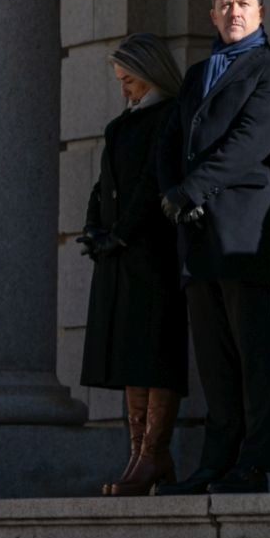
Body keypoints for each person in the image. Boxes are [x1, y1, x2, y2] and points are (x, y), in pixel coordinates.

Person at [157, 0, 270, 496]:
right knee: (214, 359)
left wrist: (191, 189)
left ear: (261, 12)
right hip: (195, 231)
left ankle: (253, 463)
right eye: (225, 5)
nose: (234, 12)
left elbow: (251, 140)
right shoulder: (198, 74)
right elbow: (171, 137)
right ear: (212, 15)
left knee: (252, 353)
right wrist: (172, 190)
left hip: (241, 230)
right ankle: (214, 463)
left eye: (243, 4)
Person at [78, 35, 189, 496]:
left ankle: (153, 453)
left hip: (153, 250)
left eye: (130, 80)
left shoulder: (170, 116)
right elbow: (107, 183)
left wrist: (123, 229)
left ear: (152, 74)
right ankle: (140, 454)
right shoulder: (122, 124)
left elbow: (151, 183)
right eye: (121, 81)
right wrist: (95, 226)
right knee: (128, 354)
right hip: (120, 253)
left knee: (153, 351)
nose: (124, 90)